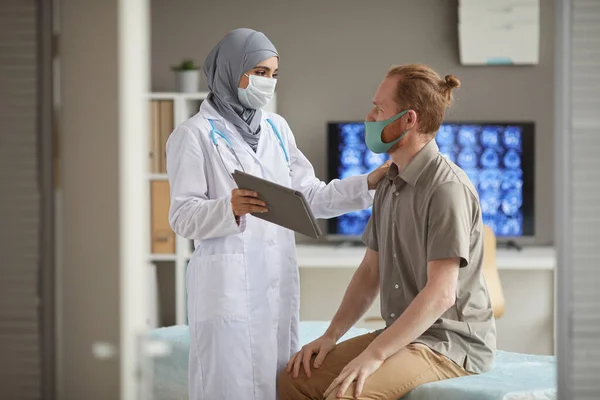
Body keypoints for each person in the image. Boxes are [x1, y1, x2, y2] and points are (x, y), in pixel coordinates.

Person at [165, 28, 389, 400]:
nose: (266, 83)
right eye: (259, 72)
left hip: (275, 280)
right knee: (229, 386)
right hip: (226, 286)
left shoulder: (276, 128)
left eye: (273, 74)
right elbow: (182, 216)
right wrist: (229, 207)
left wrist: (368, 183)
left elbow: (310, 196)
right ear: (229, 70)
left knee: (280, 385)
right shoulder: (193, 135)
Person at [278, 64, 497, 400]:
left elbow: (441, 295)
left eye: (379, 109)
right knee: (295, 378)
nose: (369, 116)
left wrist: (375, 355)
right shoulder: (389, 182)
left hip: (447, 343)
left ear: (409, 119)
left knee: (347, 393)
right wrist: (330, 336)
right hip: (403, 333)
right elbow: (370, 271)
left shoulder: (446, 189)